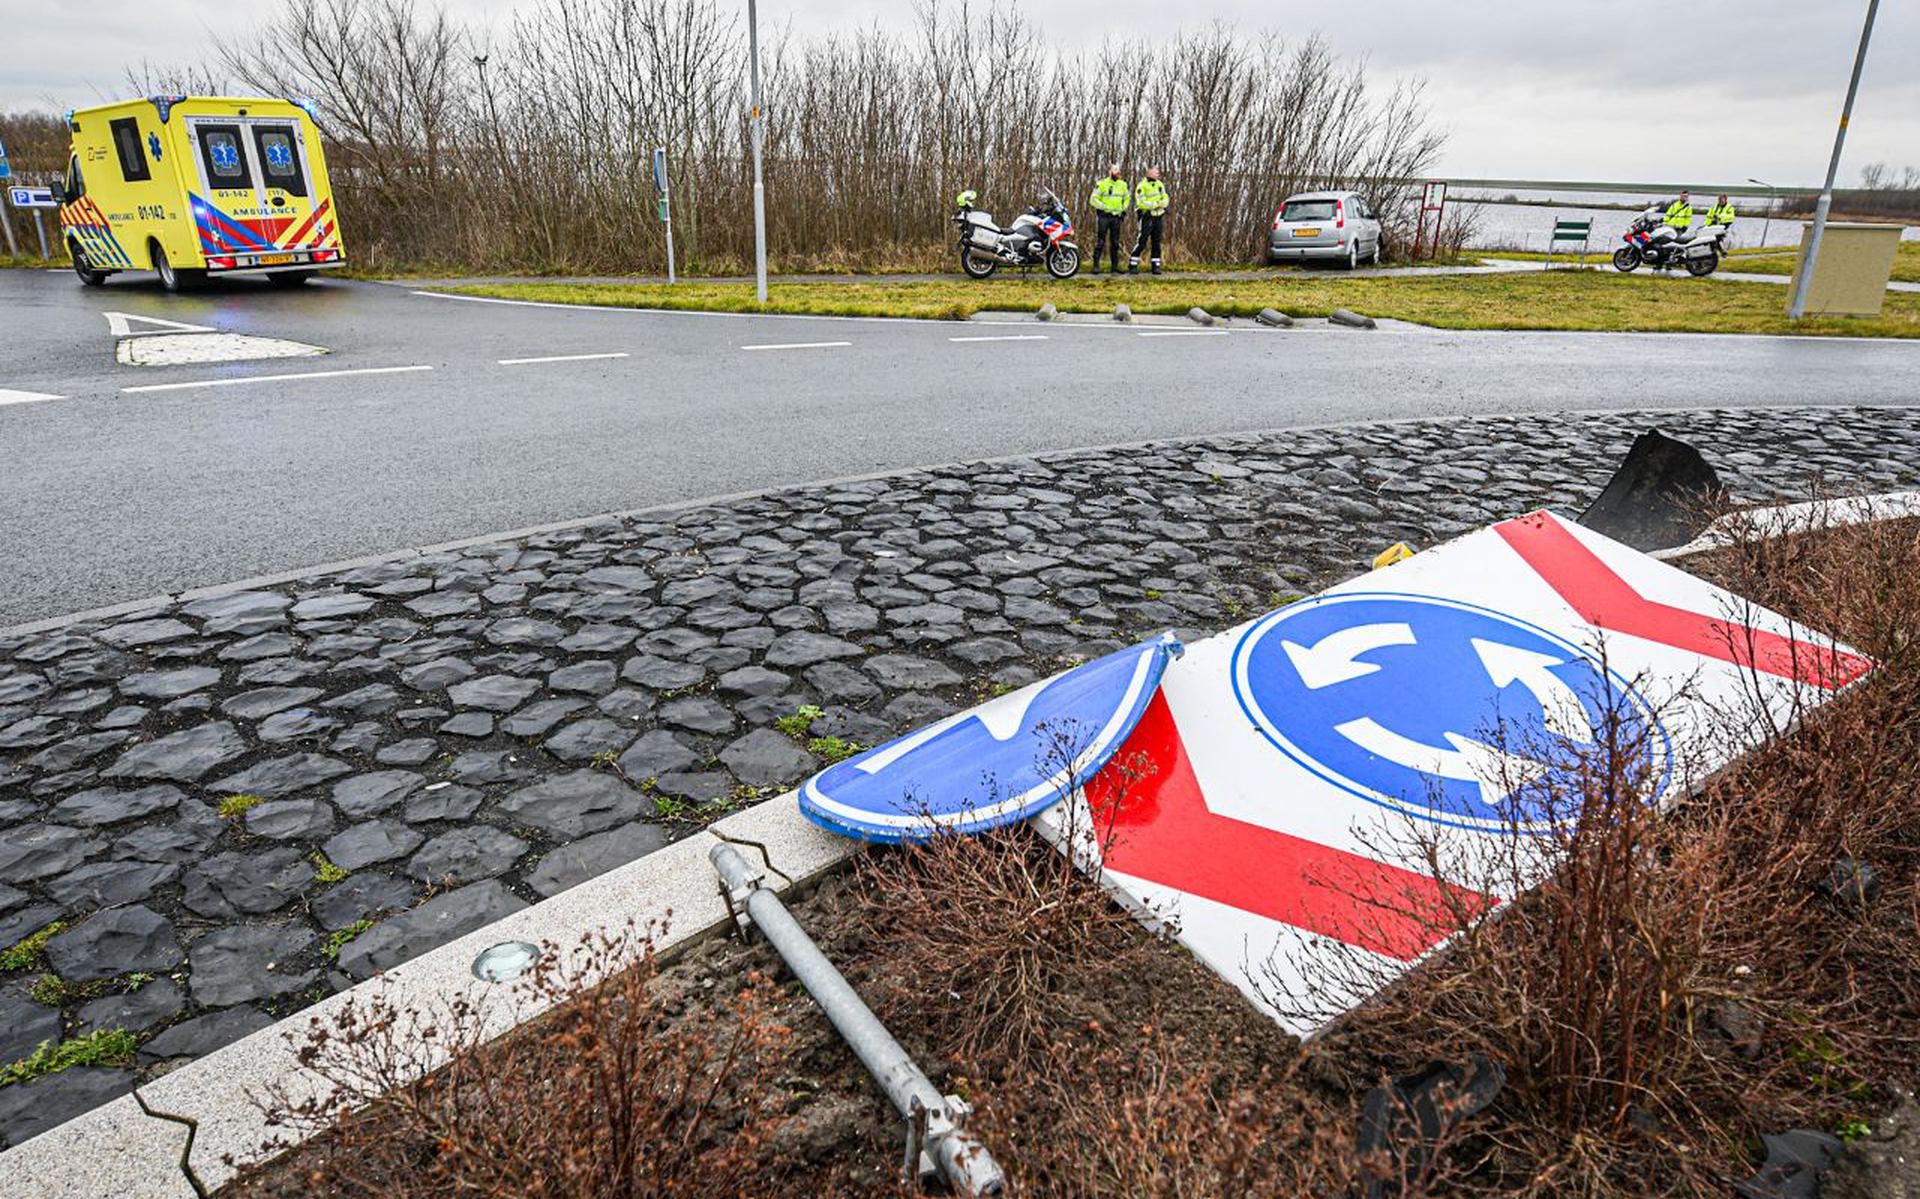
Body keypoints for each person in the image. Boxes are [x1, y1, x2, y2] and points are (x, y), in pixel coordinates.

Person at [1089, 164, 1130, 273]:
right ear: (1110, 172)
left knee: (1115, 243)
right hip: (1104, 217)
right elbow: (1093, 199)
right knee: (1100, 242)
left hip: (1116, 217)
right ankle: (1096, 265)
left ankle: (1114, 266)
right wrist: (1103, 207)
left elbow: (1126, 199)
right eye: (1115, 170)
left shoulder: (1123, 185)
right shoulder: (1102, 184)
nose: (1118, 172)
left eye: (1118, 170)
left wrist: (1123, 210)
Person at [1129, 167, 1169, 274]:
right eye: (1156, 172)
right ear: (1149, 173)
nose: (1158, 174)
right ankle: (1133, 263)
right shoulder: (1142, 186)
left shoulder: (1160, 184)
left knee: (1156, 242)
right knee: (1142, 241)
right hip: (1146, 217)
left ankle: (1156, 265)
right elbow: (1141, 202)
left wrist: (1161, 204)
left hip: (1158, 217)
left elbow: (1165, 199)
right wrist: (1155, 205)